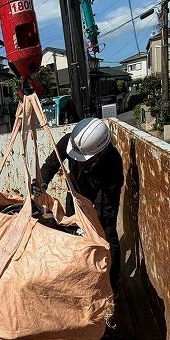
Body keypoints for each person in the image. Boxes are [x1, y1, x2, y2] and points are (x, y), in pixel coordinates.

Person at [33, 117, 124, 293]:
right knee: (74, 233)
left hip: (102, 199)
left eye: (86, 159)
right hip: (75, 194)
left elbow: (105, 208)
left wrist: (91, 224)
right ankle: (81, 277)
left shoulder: (113, 163)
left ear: (98, 155)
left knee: (108, 236)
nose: (80, 160)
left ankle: (112, 285)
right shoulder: (70, 142)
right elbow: (50, 165)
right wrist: (41, 183)